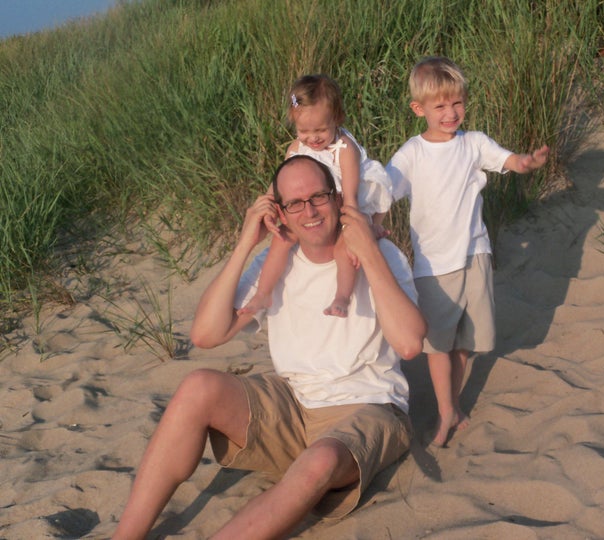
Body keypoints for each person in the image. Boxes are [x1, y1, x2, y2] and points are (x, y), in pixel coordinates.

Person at [112, 155, 426, 540]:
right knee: (197, 387)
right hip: (295, 404)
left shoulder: (381, 255)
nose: (308, 211)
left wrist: (369, 251)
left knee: (320, 460)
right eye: (295, 203)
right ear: (280, 210)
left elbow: (410, 343)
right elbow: (206, 335)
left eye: (318, 197)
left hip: (370, 407)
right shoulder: (276, 259)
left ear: (338, 197)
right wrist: (247, 241)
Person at [386, 56, 549, 447]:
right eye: (440, 106)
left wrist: (526, 162)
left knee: (464, 342)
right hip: (432, 265)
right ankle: (445, 412)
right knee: (438, 345)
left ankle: (452, 405)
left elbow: (508, 160)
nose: (450, 113)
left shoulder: (473, 143)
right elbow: (384, 192)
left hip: (475, 255)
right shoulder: (412, 153)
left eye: (456, 103)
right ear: (418, 109)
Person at [241, 74, 393, 318]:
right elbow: (277, 188)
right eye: (304, 131)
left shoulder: (344, 149)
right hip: (314, 209)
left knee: (345, 246)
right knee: (280, 240)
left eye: (321, 130)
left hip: (343, 206)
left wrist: (356, 230)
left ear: (337, 118)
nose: (312, 138)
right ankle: (263, 293)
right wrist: (268, 209)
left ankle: (342, 296)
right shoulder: (295, 149)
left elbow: (352, 197)